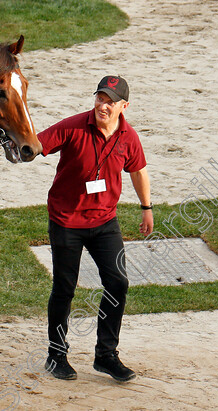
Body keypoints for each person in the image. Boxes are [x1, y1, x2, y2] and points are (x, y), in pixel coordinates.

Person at [37, 75, 154, 383]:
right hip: (66, 220)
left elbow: (139, 171)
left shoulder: (128, 137)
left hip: (105, 222)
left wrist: (146, 208)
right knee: (65, 288)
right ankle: (56, 354)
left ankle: (106, 356)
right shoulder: (73, 126)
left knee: (118, 283)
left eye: (110, 101)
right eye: (99, 98)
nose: (103, 105)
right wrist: (18, 145)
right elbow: (36, 144)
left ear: (123, 106)